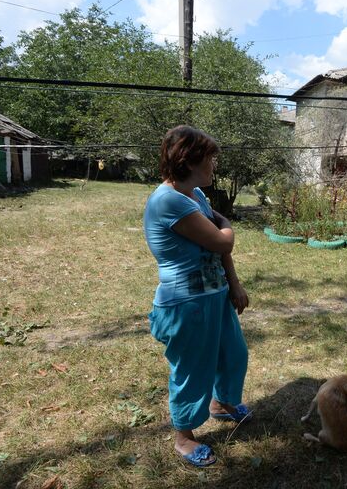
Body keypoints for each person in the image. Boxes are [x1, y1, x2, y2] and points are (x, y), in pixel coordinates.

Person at [143, 125, 251, 467]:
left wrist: (234, 283)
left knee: (234, 353)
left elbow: (219, 245)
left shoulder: (194, 195)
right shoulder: (167, 201)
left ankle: (221, 404)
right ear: (189, 161)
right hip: (186, 304)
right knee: (193, 370)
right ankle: (184, 436)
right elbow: (223, 240)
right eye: (210, 158)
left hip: (214, 294)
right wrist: (225, 222)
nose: (214, 165)